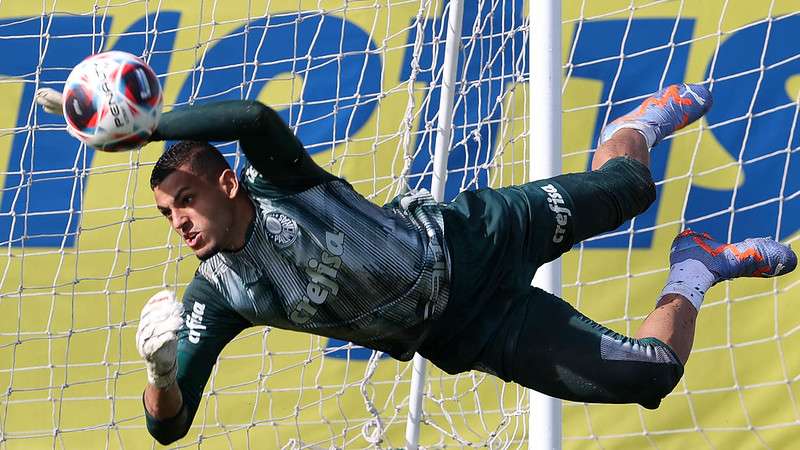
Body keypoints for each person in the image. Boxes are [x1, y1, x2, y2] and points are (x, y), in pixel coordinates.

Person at [36, 83, 797, 445]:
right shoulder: (220, 294)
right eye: (168, 216)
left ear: (227, 182)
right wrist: (163, 376)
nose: (181, 224)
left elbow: (254, 119)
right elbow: (165, 431)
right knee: (652, 378)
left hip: (476, 237)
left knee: (633, 185)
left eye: (188, 201)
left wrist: (144, 126)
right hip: (471, 330)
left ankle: (637, 121)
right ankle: (697, 266)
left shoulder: (284, 184)